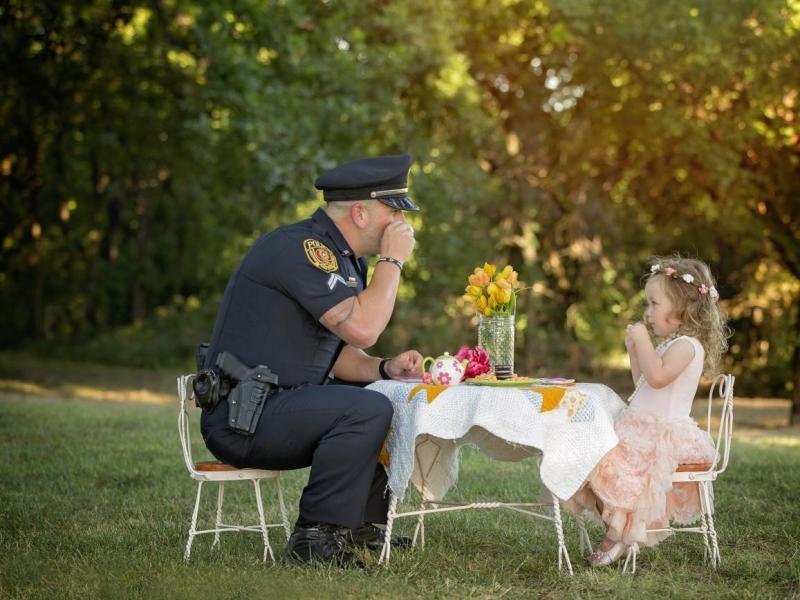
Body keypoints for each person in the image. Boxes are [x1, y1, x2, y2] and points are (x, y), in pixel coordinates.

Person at [199, 154, 423, 567]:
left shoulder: (340, 256)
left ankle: (359, 525)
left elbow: (336, 355)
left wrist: (384, 368)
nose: (401, 226)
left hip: (277, 403)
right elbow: (364, 328)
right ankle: (314, 540)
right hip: (243, 416)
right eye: (393, 214)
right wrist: (392, 261)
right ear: (360, 212)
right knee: (366, 408)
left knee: (378, 391)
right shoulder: (302, 250)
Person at [565, 255, 731, 566]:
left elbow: (657, 378)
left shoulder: (688, 347)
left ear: (682, 308)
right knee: (598, 455)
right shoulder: (673, 343)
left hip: (662, 435)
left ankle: (617, 536)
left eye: (655, 304)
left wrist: (643, 339)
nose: (648, 312)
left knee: (620, 465)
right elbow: (644, 381)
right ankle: (616, 531)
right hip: (643, 427)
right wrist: (635, 350)